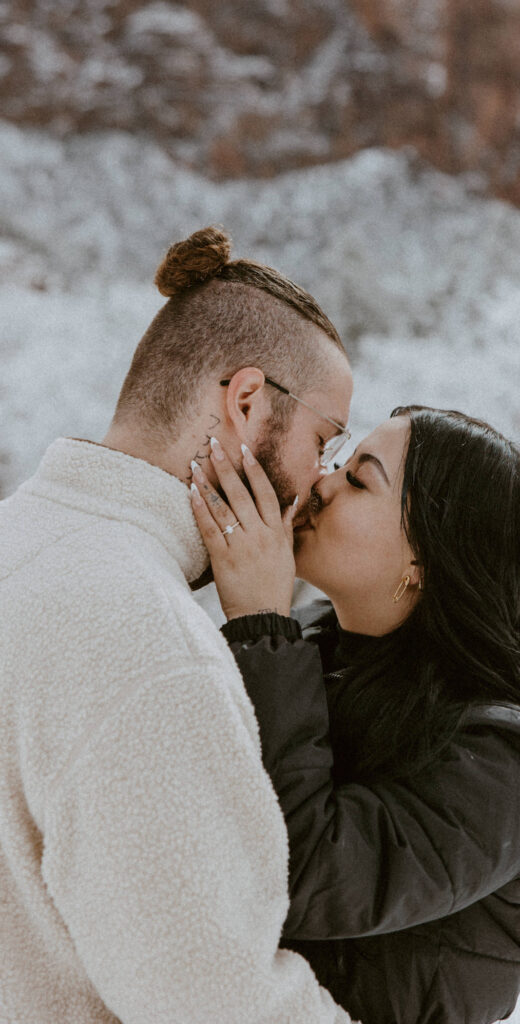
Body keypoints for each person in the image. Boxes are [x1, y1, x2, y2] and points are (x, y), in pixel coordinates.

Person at [189, 407, 520, 1024]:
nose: (321, 484)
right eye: (337, 463)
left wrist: (259, 627)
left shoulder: (506, 756)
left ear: (425, 561)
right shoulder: (305, 656)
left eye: (359, 480)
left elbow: (295, 876)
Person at [0, 228, 358, 1023]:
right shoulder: (147, 643)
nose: (316, 484)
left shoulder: (20, 542)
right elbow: (213, 1002)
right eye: (323, 441)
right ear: (245, 401)